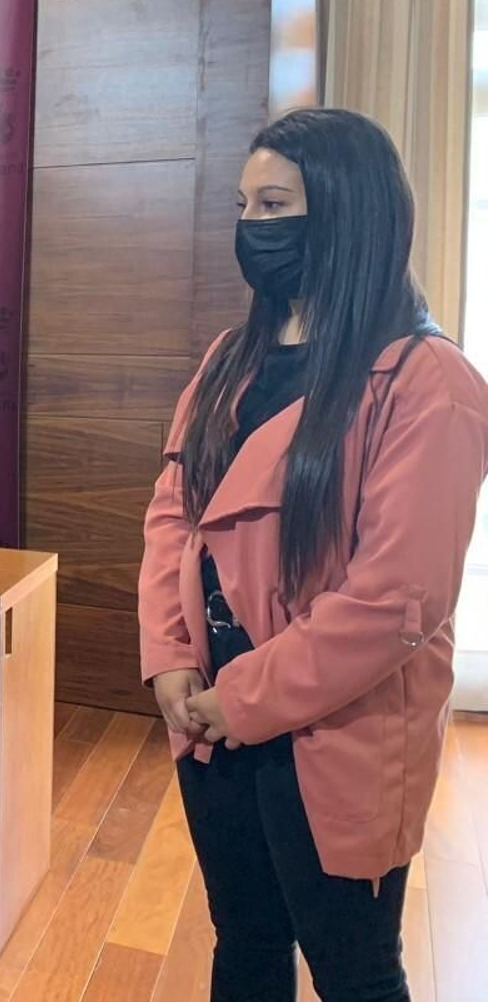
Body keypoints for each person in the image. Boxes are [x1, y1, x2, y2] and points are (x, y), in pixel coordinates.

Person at [138, 108, 488, 1002]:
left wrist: (240, 699)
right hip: (211, 713)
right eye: (245, 204)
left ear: (346, 211)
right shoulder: (231, 356)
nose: (253, 226)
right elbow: (174, 513)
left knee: (353, 968)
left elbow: (395, 598)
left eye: (276, 203)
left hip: (334, 725)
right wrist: (174, 658)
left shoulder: (428, 381)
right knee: (244, 938)